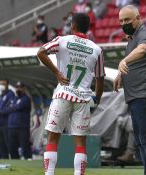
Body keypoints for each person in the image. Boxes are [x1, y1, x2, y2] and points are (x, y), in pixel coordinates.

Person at [37, 13, 105, 175]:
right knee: (80, 142)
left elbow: (41, 52)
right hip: (83, 99)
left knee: (53, 137)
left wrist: (56, 73)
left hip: (62, 95)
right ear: (88, 28)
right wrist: (97, 98)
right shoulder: (96, 50)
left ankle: (49, 173)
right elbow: (100, 78)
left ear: (72, 26)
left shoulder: (62, 40)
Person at [113, 5, 146, 175]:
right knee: (142, 141)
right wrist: (120, 73)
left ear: (138, 18)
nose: (123, 23)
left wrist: (123, 61)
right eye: (121, 21)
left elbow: (142, 50)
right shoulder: (132, 38)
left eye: (127, 19)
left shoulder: (145, 34)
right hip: (137, 97)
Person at [6, 81, 32, 160]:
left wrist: (12, 107)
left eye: (20, 87)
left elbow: (18, 107)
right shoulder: (13, 98)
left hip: (22, 127)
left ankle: (28, 160)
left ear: (24, 88)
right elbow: (7, 108)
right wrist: (12, 107)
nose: (18, 89)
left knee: (25, 146)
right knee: (12, 147)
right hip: (11, 126)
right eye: (17, 87)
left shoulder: (26, 98)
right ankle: (15, 162)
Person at [0, 79, 15, 159]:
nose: (1, 85)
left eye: (3, 84)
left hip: (7, 122)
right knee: (1, 144)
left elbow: (11, 108)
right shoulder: (0, 96)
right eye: (0, 84)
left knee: (9, 143)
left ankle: (14, 159)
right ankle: (5, 160)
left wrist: (0, 112)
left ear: (7, 84)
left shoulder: (11, 94)